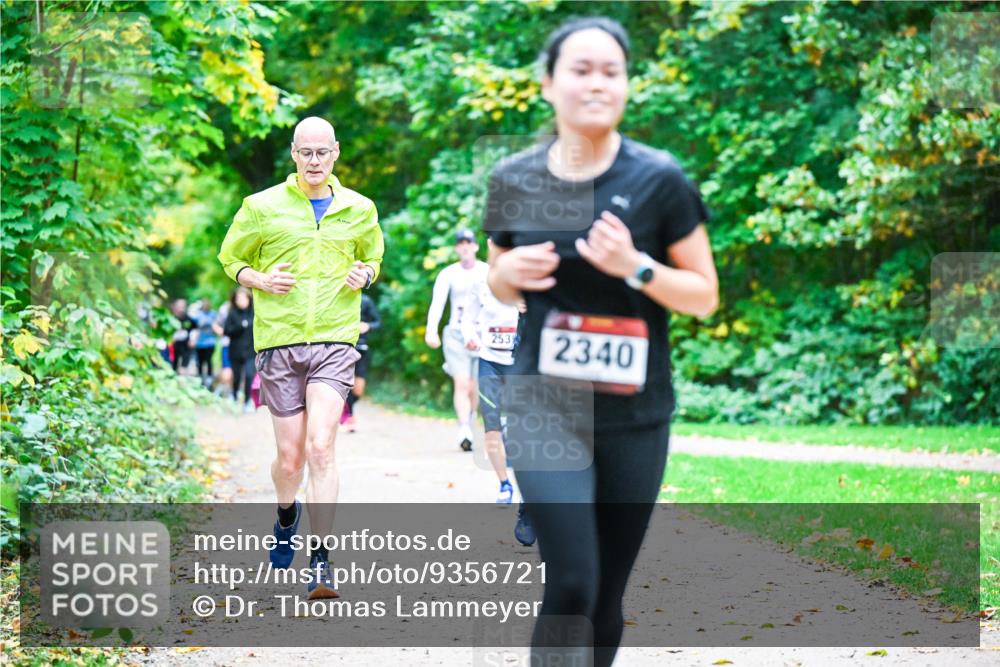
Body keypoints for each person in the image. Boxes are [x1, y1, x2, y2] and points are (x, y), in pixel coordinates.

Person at [484, 17, 718, 666]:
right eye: (580, 70)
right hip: (541, 401)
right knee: (574, 578)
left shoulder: (659, 179)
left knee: (606, 595)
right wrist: (507, 273)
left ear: (627, 85)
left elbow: (703, 295)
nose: (596, 83)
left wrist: (636, 267)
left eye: (610, 72)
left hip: (633, 412)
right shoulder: (515, 177)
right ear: (548, 83)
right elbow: (498, 280)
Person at [217, 116, 384, 600]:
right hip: (279, 342)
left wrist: (364, 276)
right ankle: (286, 513)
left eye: (322, 152)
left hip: (335, 339)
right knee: (289, 460)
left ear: (336, 153)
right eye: (305, 152)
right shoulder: (261, 206)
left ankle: (322, 561)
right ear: (294, 153)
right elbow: (231, 260)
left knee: (320, 448)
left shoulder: (360, 209)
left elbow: (373, 257)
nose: (314, 161)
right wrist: (260, 280)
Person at [460, 265, 521, 504]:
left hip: (520, 363)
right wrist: (470, 337)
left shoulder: (526, 277)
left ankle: (531, 492)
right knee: (491, 429)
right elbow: (467, 319)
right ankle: (504, 484)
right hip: (490, 362)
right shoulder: (481, 282)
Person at [424, 229, 489, 451]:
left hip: (482, 334)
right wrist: (431, 331)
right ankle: (464, 427)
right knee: (462, 382)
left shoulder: (487, 271)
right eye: (460, 243)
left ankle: (469, 421)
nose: (464, 247)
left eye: (468, 242)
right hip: (455, 333)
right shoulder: (448, 273)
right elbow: (438, 303)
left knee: (475, 386)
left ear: (475, 246)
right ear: (456, 248)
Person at [340, 293, 380, 432]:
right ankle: (349, 416)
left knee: (358, 390)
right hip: (342, 348)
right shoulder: (337, 297)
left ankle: (343, 410)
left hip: (361, 348)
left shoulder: (366, 300)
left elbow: (378, 323)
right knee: (346, 384)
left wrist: (368, 326)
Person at [223, 287, 255, 412]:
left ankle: (247, 401)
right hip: (235, 351)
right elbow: (226, 331)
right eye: (238, 298)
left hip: (251, 352)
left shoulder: (254, 313)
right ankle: (235, 395)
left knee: (249, 375)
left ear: (249, 299)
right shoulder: (232, 314)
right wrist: (240, 326)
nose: (241, 301)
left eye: (243, 298)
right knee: (236, 377)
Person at [192, 297, 218, 388]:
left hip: (210, 342)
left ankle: (209, 378)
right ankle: (200, 378)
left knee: (208, 361)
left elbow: (216, 326)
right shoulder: (198, 315)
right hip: (200, 343)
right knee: (200, 361)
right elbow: (194, 326)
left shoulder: (213, 314)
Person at [169, 298, 197, 374]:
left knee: (183, 367)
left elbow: (195, 329)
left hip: (185, 346)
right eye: (179, 306)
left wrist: (193, 340)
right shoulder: (171, 319)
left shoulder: (189, 319)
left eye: (183, 306)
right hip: (174, 346)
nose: (181, 308)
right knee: (173, 365)